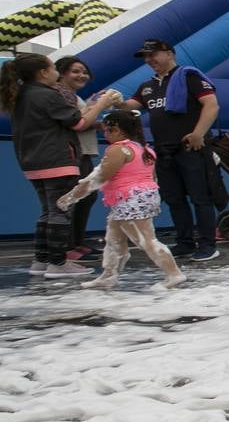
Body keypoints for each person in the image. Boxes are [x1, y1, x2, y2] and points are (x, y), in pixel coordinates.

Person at [1, 53, 119, 277]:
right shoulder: (47, 95)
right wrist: (103, 103)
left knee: (48, 210)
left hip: (32, 161)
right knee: (61, 209)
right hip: (57, 159)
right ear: (43, 73)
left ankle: (42, 260)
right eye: (53, 69)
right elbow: (79, 122)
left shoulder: (21, 95)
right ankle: (58, 262)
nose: (56, 72)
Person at [55, 111, 186, 290]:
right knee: (114, 238)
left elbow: (99, 177)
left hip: (130, 200)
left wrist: (70, 197)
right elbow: (152, 178)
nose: (105, 135)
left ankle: (174, 274)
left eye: (106, 131)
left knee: (145, 239)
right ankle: (108, 275)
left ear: (116, 130)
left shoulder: (118, 149)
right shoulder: (145, 149)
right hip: (141, 197)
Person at [120, 39, 221, 262]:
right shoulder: (147, 86)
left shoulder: (189, 76)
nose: (148, 60)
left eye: (152, 54)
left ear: (168, 53)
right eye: (145, 57)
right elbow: (129, 107)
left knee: (200, 198)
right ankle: (185, 243)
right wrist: (113, 101)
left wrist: (198, 133)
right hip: (164, 152)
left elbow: (211, 104)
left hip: (191, 147)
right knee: (174, 199)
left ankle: (208, 244)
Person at [54, 56, 101, 261]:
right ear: (61, 73)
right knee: (73, 197)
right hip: (73, 153)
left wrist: (93, 114)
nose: (81, 75)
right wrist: (97, 108)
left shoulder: (73, 95)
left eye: (84, 71)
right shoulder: (61, 94)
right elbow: (77, 122)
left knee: (86, 196)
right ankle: (67, 246)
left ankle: (76, 242)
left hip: (84, 151)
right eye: (75, 71)